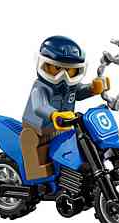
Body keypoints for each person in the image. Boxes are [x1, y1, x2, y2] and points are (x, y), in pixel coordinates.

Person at [21, 35, 109, 180]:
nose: (63, 76)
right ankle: (37, 177)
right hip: (39, 129)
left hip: (64, 125)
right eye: (56, 68)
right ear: (43, 65)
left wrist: (93, 89)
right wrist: (53, 114)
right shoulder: (40, 87)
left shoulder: (70, 87)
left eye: (70, 71)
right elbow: (40, 106)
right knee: (32, 143)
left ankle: (70, 173)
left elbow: (79, 93)